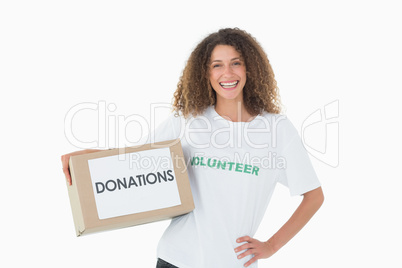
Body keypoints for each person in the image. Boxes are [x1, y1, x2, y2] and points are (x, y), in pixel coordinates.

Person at [62, 28, 324, 268]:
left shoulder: (277, 129)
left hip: (234, 263)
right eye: (217, 65)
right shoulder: (189, 120)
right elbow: (134, 159)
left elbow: (314, 196)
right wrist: (88, 158)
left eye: (236, 63)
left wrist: (271, 246)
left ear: (250, 68)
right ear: (206, 73)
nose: (228, 73)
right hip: (177, 258)